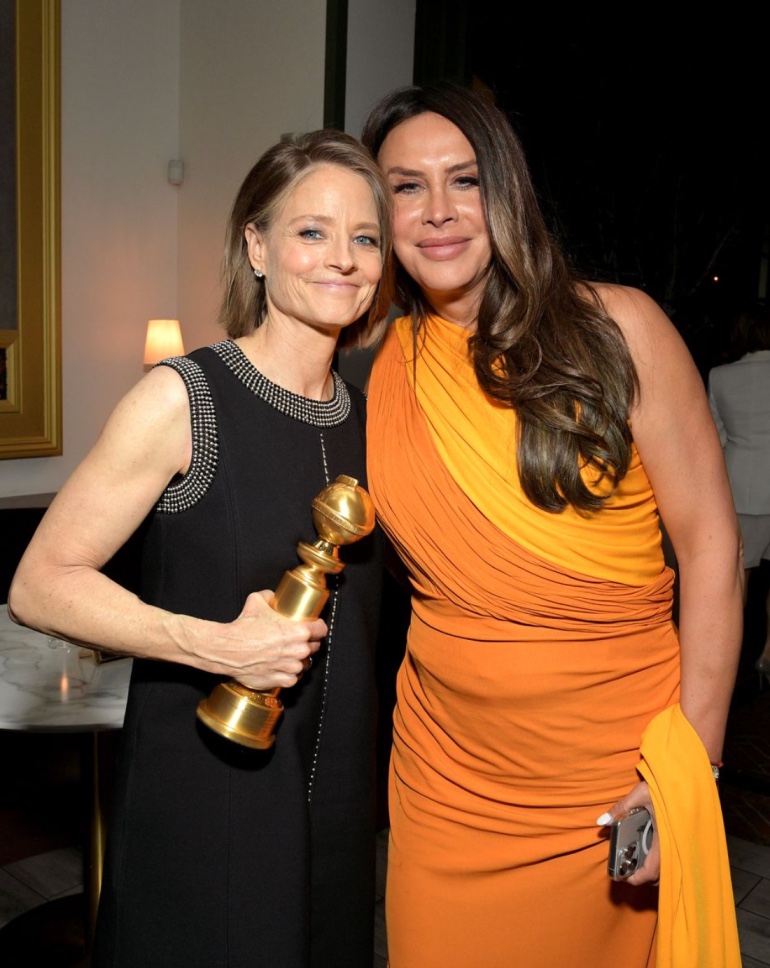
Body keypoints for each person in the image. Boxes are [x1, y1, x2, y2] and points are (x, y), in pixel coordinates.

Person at [361, 81, 743, 967]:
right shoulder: (376, 361)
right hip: (446, 788)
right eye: (407, 187)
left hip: (611, 781)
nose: (438, 210)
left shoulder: (620, 327)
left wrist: (693, 768)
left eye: (464, 179)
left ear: (507, 191)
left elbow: (712, 548)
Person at [7, 129, 393, 968]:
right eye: (312, 231)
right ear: (256, 246)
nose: (344, 258)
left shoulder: (376, 418)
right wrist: (213, 643)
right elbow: (40, 583)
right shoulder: (185, 397)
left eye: (365, 238)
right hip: (207, 789)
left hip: (340, 802)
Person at [708, 302, 770, 685]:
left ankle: (730, 660)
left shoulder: (721, 376)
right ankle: (767, 655)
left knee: (738, 580)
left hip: (741, 490)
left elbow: (715, 438)